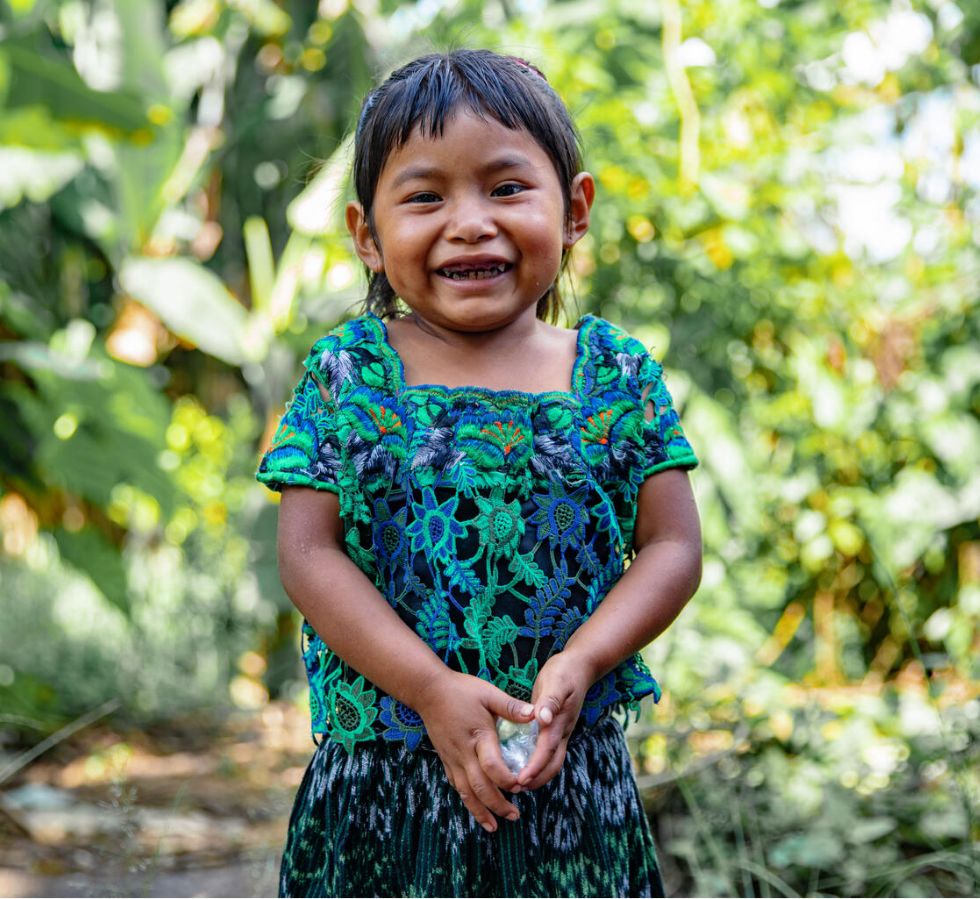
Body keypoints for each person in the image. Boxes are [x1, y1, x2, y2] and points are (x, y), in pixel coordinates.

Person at [256, 48, 702, 898]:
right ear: (368, 236)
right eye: (425, 196)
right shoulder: (349, 374)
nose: (469, 222)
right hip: (382, 790)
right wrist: (429, 688)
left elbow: (673, 546)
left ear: (574, 211)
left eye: (505, 188)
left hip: (566, 783)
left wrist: (584, 658)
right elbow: (309, 556)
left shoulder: (615, 375)